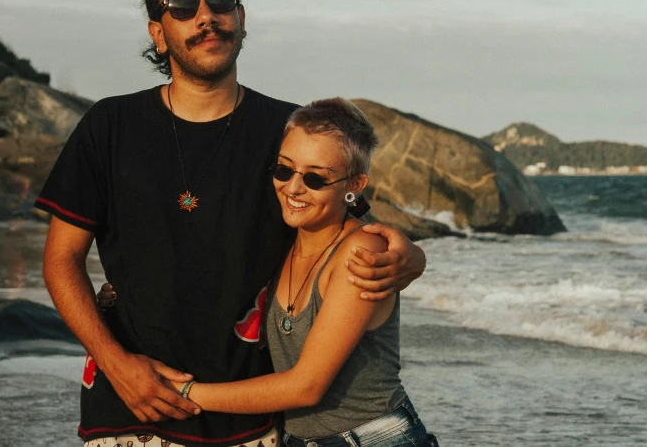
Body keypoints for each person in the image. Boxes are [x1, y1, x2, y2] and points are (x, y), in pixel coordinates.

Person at [34, 0, 426, 446]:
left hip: (253, 419)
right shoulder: (110, 126)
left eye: (220, 0)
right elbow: (61, 260)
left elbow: (350, 228)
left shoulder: (289, 132)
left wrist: (411, 258)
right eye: (182, 5)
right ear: (157, 32)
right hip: (128, 407)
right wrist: (117, 363)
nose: (206, 16)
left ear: (241, 18)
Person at [101, 99, 439, 447]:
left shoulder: (361, 251)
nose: (293, 188)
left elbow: (306, 387)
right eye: (284, 170)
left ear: (354, 183)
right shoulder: (284, 243)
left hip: (374, 439)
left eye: (315, 178)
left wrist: (181, 393)